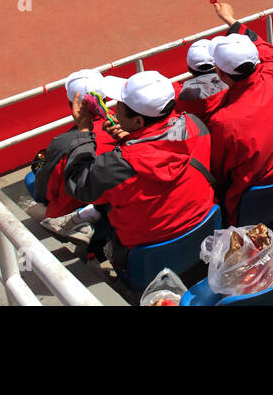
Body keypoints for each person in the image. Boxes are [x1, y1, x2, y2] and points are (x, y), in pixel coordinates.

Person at [61, 71, 214, 270]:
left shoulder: (118, 164)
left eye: (120, 107)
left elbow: (79, 185)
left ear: (139, 121)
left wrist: (83, 132)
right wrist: (132, 138)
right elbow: (163, 151)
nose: (114, 110)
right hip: (202, 230)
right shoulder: (196, 125)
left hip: (146, 254)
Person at [205, 4, 273, 218]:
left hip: (253, 203)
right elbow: (266, 49)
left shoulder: (223, 120)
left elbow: (219, 174)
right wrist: (231, 20)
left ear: (221, 75)